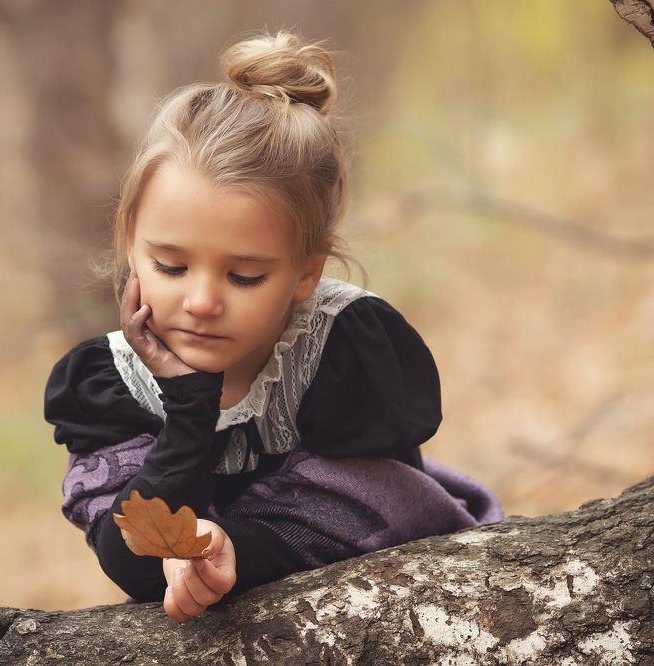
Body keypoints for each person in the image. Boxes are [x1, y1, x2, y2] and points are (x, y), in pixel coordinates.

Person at [44, 29, 503, 624]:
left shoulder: (341, 350)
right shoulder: (107, 382)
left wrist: (235, 547)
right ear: (130, 245)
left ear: (307, 273)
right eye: (171, 266)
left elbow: (379, 515)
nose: (202, 301)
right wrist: (189, 408)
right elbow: (130, 561)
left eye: (245, 277)